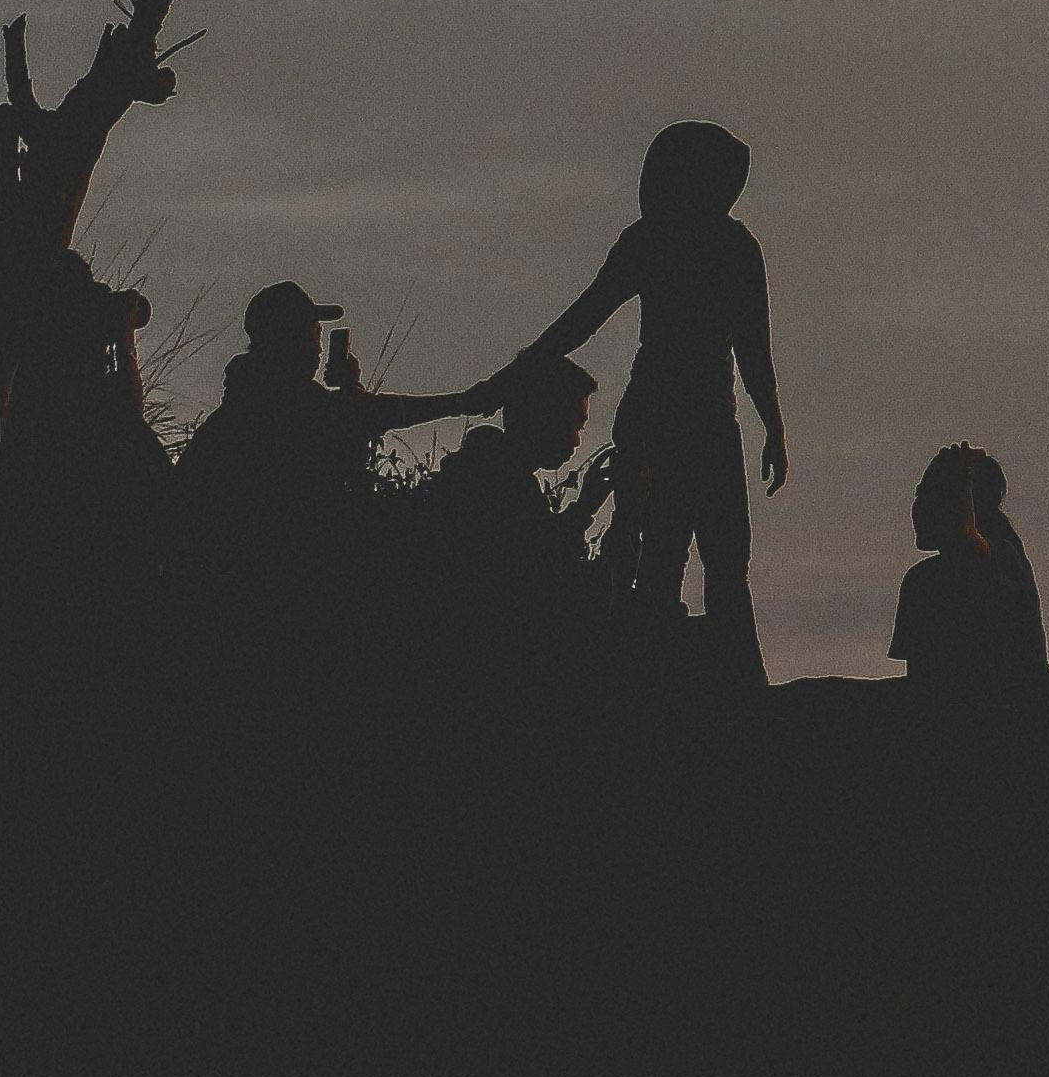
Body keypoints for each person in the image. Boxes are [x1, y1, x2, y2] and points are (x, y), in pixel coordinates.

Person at [520, 122, 785, 678]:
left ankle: (715, 678)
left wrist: (773, 426)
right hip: (689, 413)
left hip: (686, 410)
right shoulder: (713, 245)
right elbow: (751, 348)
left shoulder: (673, 241)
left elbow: (752, 347)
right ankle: (695, 679)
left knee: (697, 554)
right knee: (678, 553)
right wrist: (772, 427)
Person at [179, 280, 493, 535]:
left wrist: (350, 391)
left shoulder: (239, 407)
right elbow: (372, 414)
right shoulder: (289, 403)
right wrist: (461, 403)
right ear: (289, 342)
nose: (317, 348)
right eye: (312, 335)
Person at [889, 443, 1049, 696]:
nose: (919, 508)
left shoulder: (1004, 560)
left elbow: (965, 542)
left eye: (934, 496)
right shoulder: (920, 581)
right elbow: (921, 686)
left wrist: (960, 477)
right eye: (919, 495)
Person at [423, 351, 605, 561]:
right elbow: (540, 560)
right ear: (541, 415)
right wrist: (585, 508)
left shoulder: (484, 468)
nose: (577, 441)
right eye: (572, 425)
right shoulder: (500, 483)